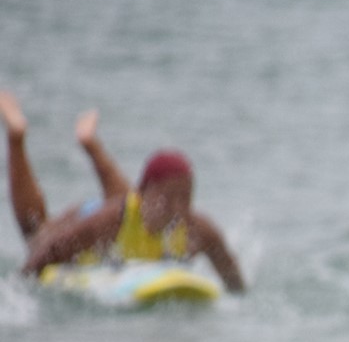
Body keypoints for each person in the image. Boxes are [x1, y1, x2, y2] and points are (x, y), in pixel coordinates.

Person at [4, 94, 246, 291]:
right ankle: (17, 135)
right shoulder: (107, 223)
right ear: (143, 193)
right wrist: (20, 290)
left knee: (128, 201)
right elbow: (49, 252)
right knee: (35, 234)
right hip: (84, 221)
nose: (177, 207)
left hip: (129, 212)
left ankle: (88, 141)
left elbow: (232, 275)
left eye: (185, 198)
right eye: (170, 198)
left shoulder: (198, 229)